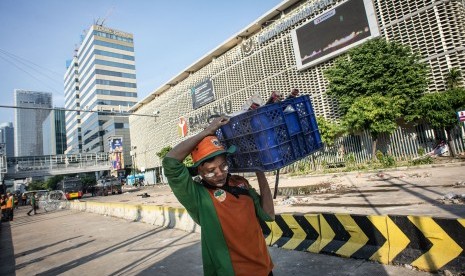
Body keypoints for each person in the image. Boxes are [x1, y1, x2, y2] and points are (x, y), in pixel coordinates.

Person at [162, 116, 275, 276]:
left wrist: (260, 173)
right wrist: (207, 131)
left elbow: (268, 215)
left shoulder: (240, 183)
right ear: (199, 171)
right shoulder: (198, 196)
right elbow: (170, 162)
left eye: (224, 166)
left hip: (264, 268)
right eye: (211, 170)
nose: (220, 173)